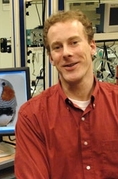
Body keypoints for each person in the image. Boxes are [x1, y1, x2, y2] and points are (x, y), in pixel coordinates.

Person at [15, 10, 118, 179]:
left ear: (92, 46)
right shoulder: (32, 117)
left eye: (74, 42)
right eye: (57, 47)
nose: (66, 53)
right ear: (51, 58)